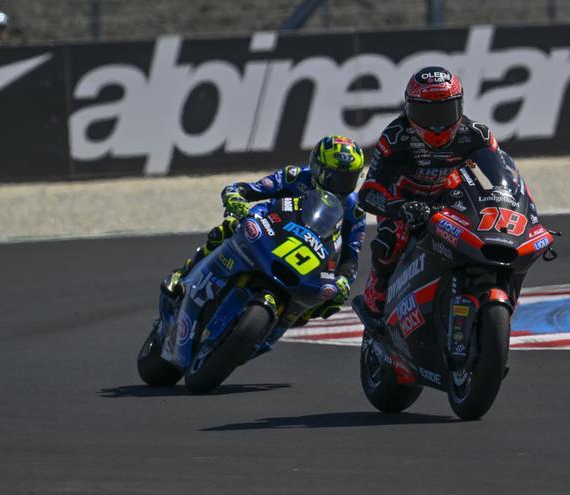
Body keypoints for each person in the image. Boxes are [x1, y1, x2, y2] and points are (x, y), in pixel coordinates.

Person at [162, 135, 367, 320]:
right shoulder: (294, 177)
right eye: (334, 177)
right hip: (271, 231)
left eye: (348, 178)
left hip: (312, 255)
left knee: (333, 297)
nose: (340, 186)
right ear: (318, 169)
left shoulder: (354, 210)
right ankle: (184, 273)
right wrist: (236, 197)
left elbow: (351, 255)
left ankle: (288, 318)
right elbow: (250, 189)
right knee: (228, 227)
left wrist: (344, 279)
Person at [359, 66, 503, 317]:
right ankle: (378, 289)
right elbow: (369, 190)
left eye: (444, 111)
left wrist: (503, 200)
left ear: (460, 106)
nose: (437, 124)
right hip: (405, 202)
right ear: (409, 108)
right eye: (427, 112)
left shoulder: (478, 135)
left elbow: (500, 176)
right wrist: (399, 208)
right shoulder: (395, 137)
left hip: (451, 199)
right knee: (391, 238)